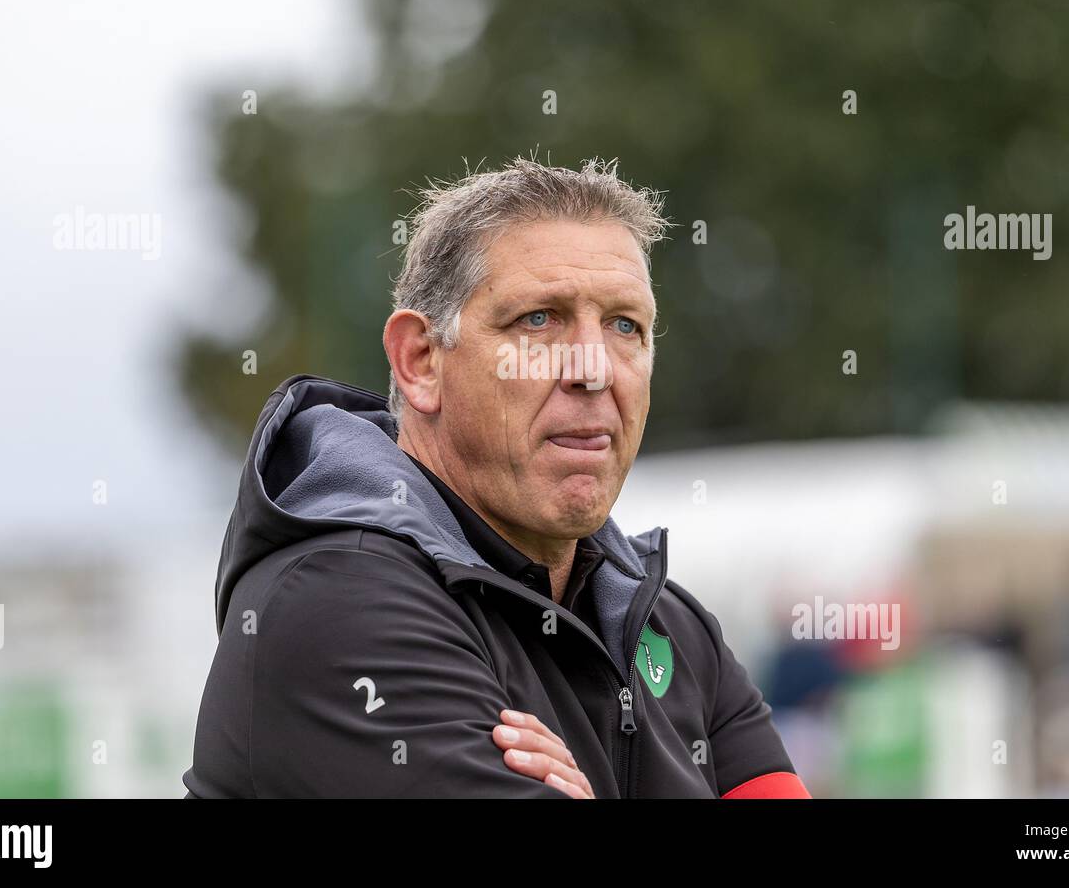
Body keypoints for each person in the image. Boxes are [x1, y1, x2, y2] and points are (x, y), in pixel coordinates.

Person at [183, 156, 806, 798]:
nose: (594, 369)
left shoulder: (671, 625)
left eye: (625, 326)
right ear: (421, 362)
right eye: (538, 319)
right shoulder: (338, 600)